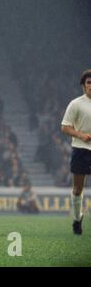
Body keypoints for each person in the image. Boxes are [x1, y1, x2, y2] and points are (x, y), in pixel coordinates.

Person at [61, 69, 91, 235]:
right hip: (80, 149)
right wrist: (81, 135)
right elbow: (65, 126)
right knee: (78, 188)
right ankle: (77, 218)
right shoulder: (76, 104)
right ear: (83, 86)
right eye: (89, 82)